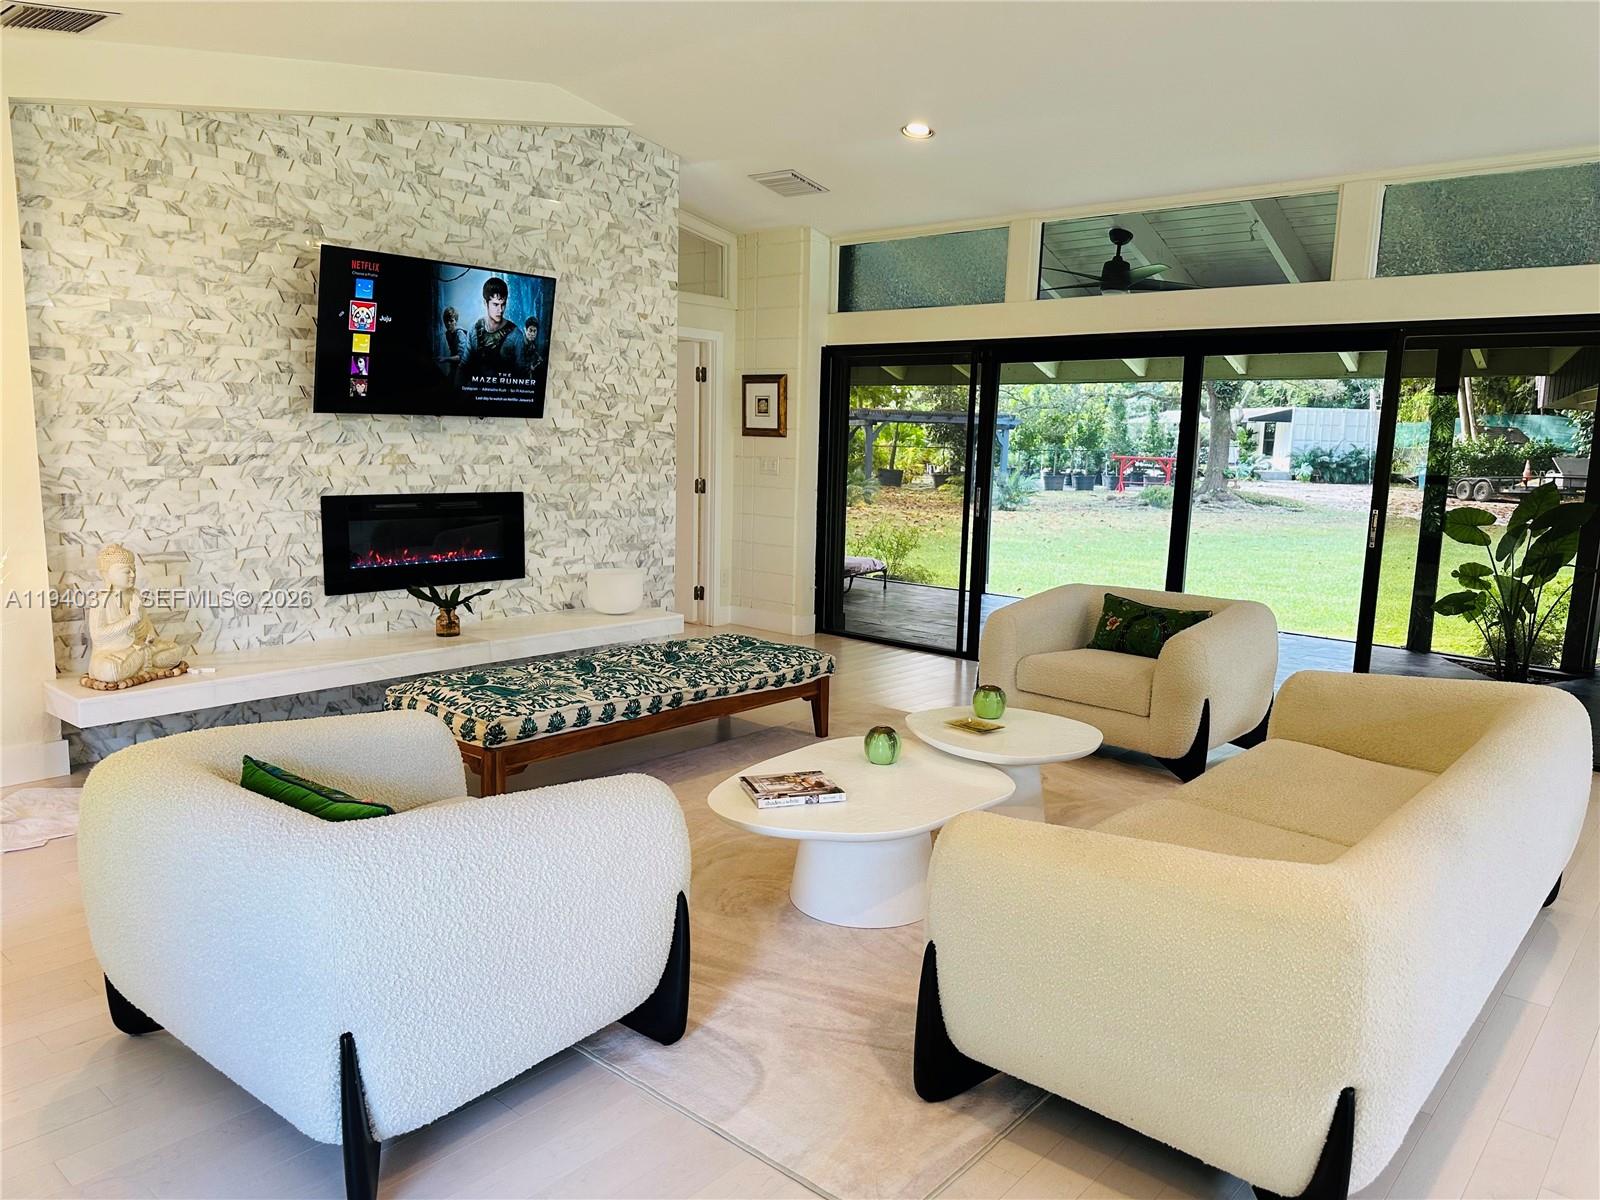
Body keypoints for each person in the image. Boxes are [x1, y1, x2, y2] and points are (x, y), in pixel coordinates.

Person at [463, 277, 524, 380]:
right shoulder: (474, 330)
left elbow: (522, 373)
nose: (500, 310)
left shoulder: (516, 335)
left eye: (503, 304)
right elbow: (463, 367)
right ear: (485, 303)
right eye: (495, 304)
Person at [438, 306, 466, 386]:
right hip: (455, 367)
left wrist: (445, 359)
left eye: (451, 321)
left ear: (456, 321)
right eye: (446, 321)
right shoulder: (448, 334)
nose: (448, 323)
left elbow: (461, 357)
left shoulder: (460, 334)